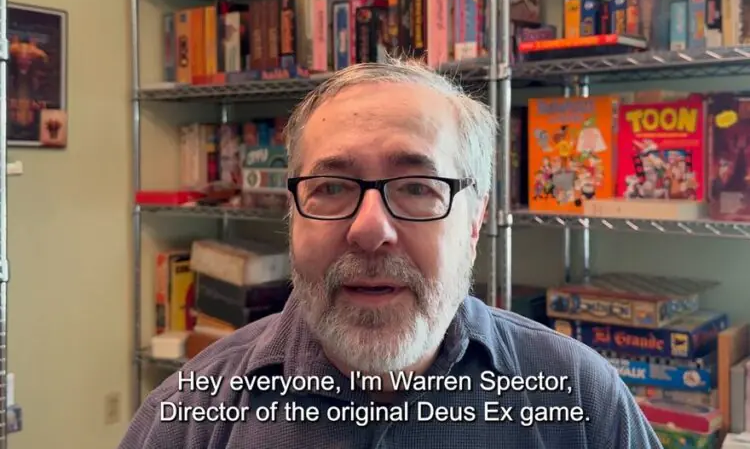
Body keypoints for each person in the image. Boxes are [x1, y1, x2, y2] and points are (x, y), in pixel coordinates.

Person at [119, 59, 662, 448]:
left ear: (474, 221)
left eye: (417, 188)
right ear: (292, 215)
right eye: (331, 187)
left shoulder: (582, 401)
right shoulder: (189, 418)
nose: (370, 230)